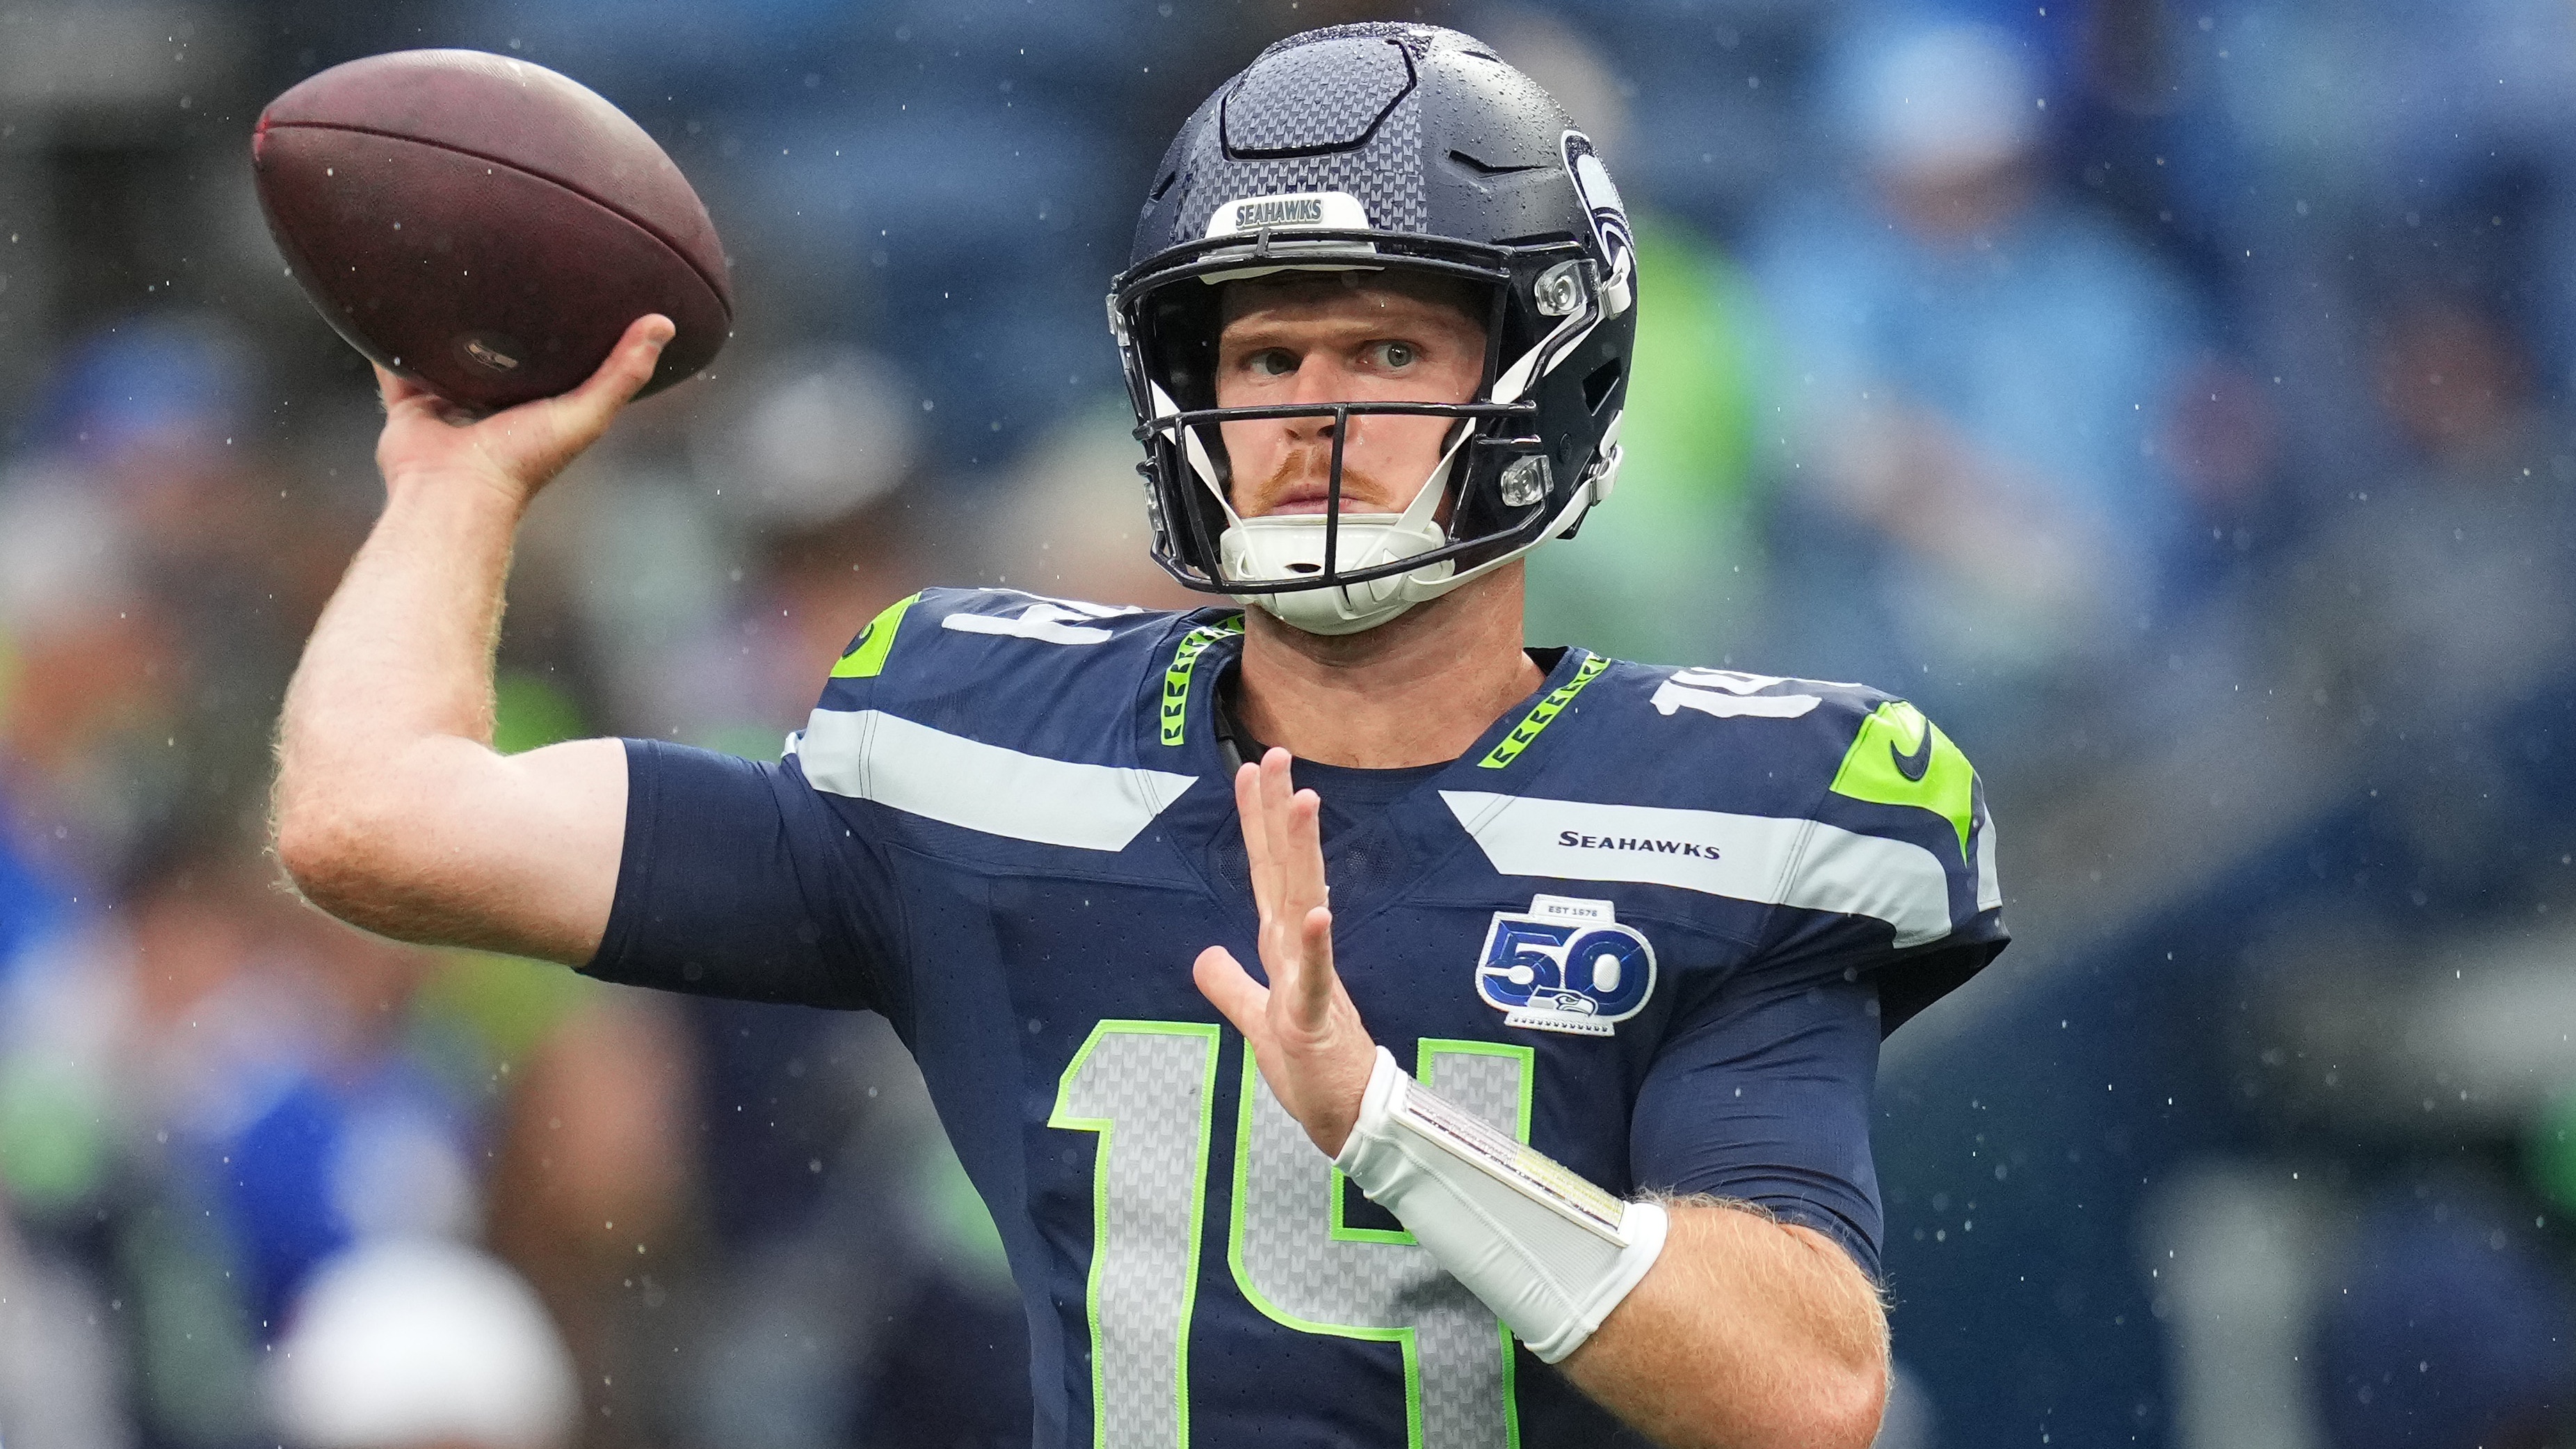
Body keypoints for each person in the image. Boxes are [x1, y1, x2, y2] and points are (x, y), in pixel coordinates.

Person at [273, 24, 2005, 1449]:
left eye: (1385, 345)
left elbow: (1804, 1387)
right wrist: (456, 484)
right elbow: (376, 817)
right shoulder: (978, 751)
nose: (1310, 414)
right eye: (1261, 357)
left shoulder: (1726, 809)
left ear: (1547, 380)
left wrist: (1389, 1125)